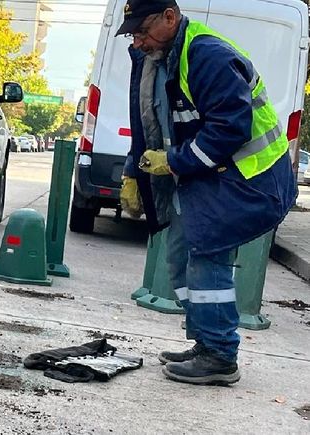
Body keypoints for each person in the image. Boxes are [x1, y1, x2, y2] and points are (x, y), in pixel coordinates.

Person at [116, 0, 296, 385]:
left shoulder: (207, 56)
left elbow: (229, 129)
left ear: (170, 16)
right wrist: (136, 171)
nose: (138, 41)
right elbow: (148, 121)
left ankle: (219, 355)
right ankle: (205, 338)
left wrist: (173, 161)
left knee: (205, 250)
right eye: (132, 33)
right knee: (180, 254)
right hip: (218, 176)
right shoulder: (162, 56)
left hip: (255, 179)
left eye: (142, 30)